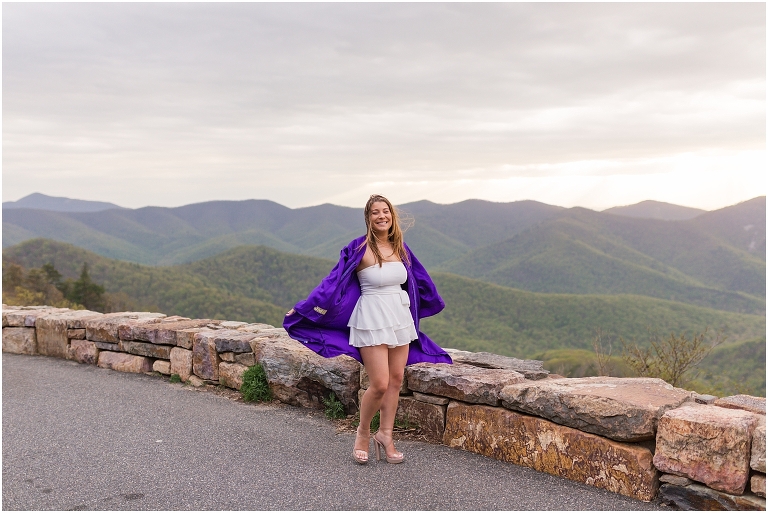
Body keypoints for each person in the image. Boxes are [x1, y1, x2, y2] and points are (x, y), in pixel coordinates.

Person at [283, 194, 452, 465]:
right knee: (380, 383)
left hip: (399, 317)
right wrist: (305, 307)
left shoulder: (401, 249)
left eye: (386, 211)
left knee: (396, 379)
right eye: (376, 212)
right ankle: (362, 433)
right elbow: (332, 281)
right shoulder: (358, 248)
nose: (382, 216)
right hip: (371, 317)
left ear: (392, 216)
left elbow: (418, 282)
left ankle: (386, 435)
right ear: (368, 218)